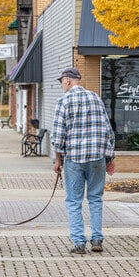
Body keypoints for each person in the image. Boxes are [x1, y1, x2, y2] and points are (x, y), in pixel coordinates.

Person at [51, 67, 116, 254]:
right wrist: (110, 157)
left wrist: (57, 160)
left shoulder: (63, 101)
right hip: (97, 158)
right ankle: (97, 239)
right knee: (95, 199)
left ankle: (79, 242)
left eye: (61, 81)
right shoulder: (96, 98)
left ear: (68, 81)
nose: (62, 85)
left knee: (73, 201)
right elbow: (108, 132)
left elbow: (58, 135)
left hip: (74, 158)